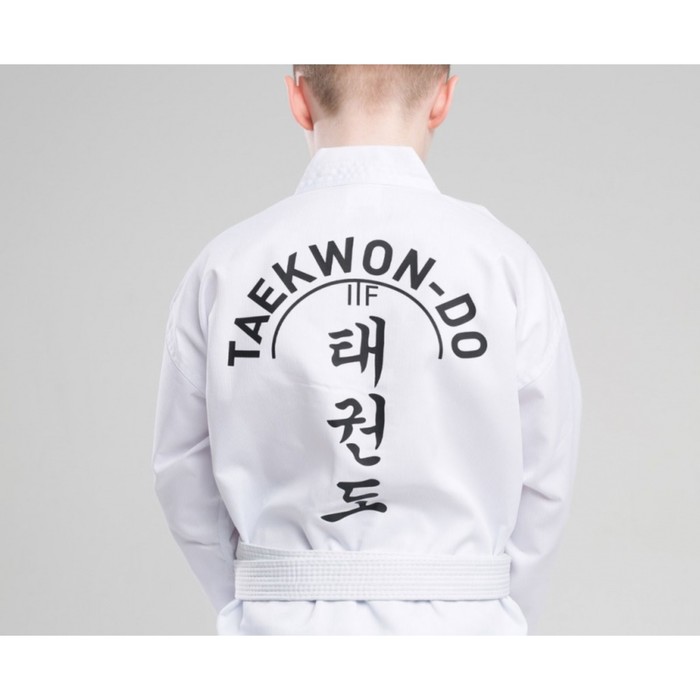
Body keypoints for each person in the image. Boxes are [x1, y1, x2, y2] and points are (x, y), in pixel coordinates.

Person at [151, 64, 582, 635]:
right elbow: (547, 471)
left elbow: (181, 470)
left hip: (277, 628)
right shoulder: (502, 263)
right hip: (466, 630)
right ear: (442, 99)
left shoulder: (227, 266)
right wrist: (492, 606)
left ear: (298, 98)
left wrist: (259, 597)